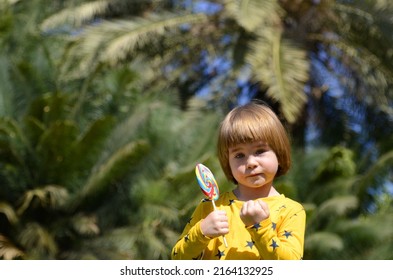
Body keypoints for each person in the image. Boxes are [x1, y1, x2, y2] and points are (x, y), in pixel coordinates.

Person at [171, 101, 306, 260]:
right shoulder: (211, 207)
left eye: (260, 151)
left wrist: (259, 227)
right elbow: (177, 259)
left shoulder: (291, 211)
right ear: (227, 162)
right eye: (239, 155)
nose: (251, 163)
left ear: (279, 153)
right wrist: (201, 232)